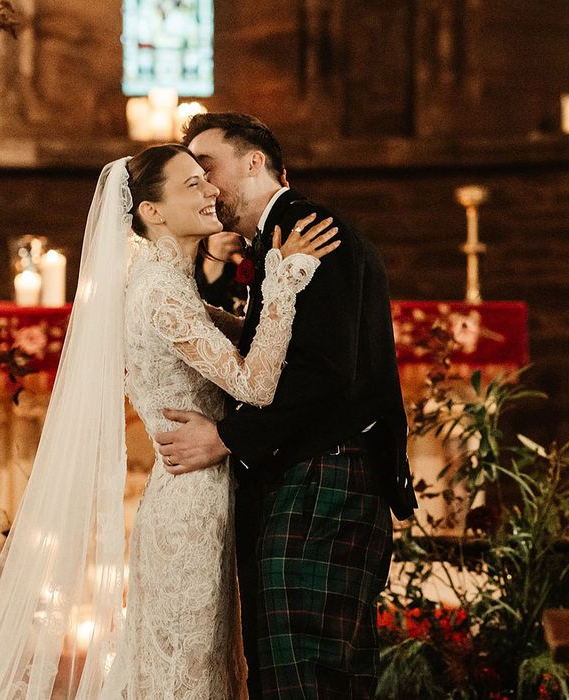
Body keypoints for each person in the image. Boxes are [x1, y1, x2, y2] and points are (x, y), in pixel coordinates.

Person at [0, 144, 340, 699]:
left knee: (201, 669)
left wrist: (243, 278)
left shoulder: (169, 283)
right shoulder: (157, 293)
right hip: (191, 508)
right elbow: (256, 384)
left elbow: (238, 339)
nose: (211, 192)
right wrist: (287, 276)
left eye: (207, 180)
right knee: (185, 676)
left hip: (204, 493)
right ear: (152, 212)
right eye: (192, 186)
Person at [156, 114, 418, 699]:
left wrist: (226, 439)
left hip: (323, 478)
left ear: (254, 162)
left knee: (303, 672)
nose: (203, 185)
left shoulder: (313, 231)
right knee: (301, 671)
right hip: (307, 476)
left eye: (208, 167)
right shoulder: (274, 241)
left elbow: (325, 372)